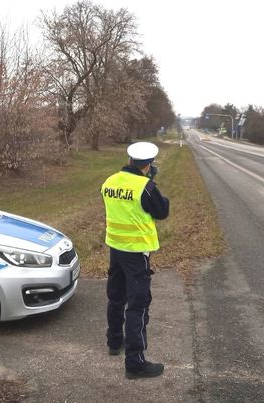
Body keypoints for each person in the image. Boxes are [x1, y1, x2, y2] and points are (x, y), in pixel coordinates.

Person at [100, 142, 170, 379]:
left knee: (116, 297)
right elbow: (162, 212)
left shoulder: (109, 181)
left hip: (115, 248)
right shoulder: (146, 187)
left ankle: (114, 342)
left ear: (130, 160)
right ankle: (135, 362)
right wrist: (154, 186)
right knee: (138, 305)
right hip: (137, 252)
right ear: (148, 164)